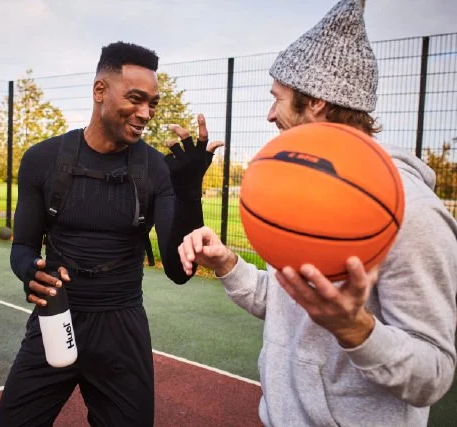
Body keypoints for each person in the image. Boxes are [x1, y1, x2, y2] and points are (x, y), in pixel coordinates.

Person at [178, 1, 457, 426]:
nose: (269, 114)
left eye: (278, 99)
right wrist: (229, 265)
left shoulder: (411, 212)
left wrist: (355, 330)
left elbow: (433, 375)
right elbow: (288, 303)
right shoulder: (299, 193)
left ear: (317, 103)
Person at [0, 41, 221, 427]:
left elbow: (178, 272)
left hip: (122, 328)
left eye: (153, 103)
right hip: (56, 318)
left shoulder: (156, 170)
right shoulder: (42, 160)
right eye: (135, 99)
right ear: (100, 91)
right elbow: (23, 247)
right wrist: (31, 271)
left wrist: (188, 191)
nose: (145, 113)